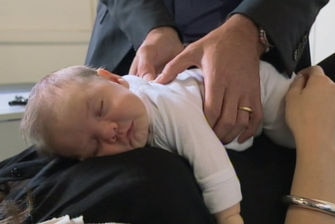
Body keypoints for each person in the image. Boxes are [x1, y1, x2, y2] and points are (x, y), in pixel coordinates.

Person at [20, 60, 297, 224]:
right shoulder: (125, 109)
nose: (110, 132)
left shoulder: (170, 109)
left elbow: (212, 164)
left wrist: (229, 217)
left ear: (116, 79)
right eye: (94, 146)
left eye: (101, 109)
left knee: (295, 131)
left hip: (259, 89)